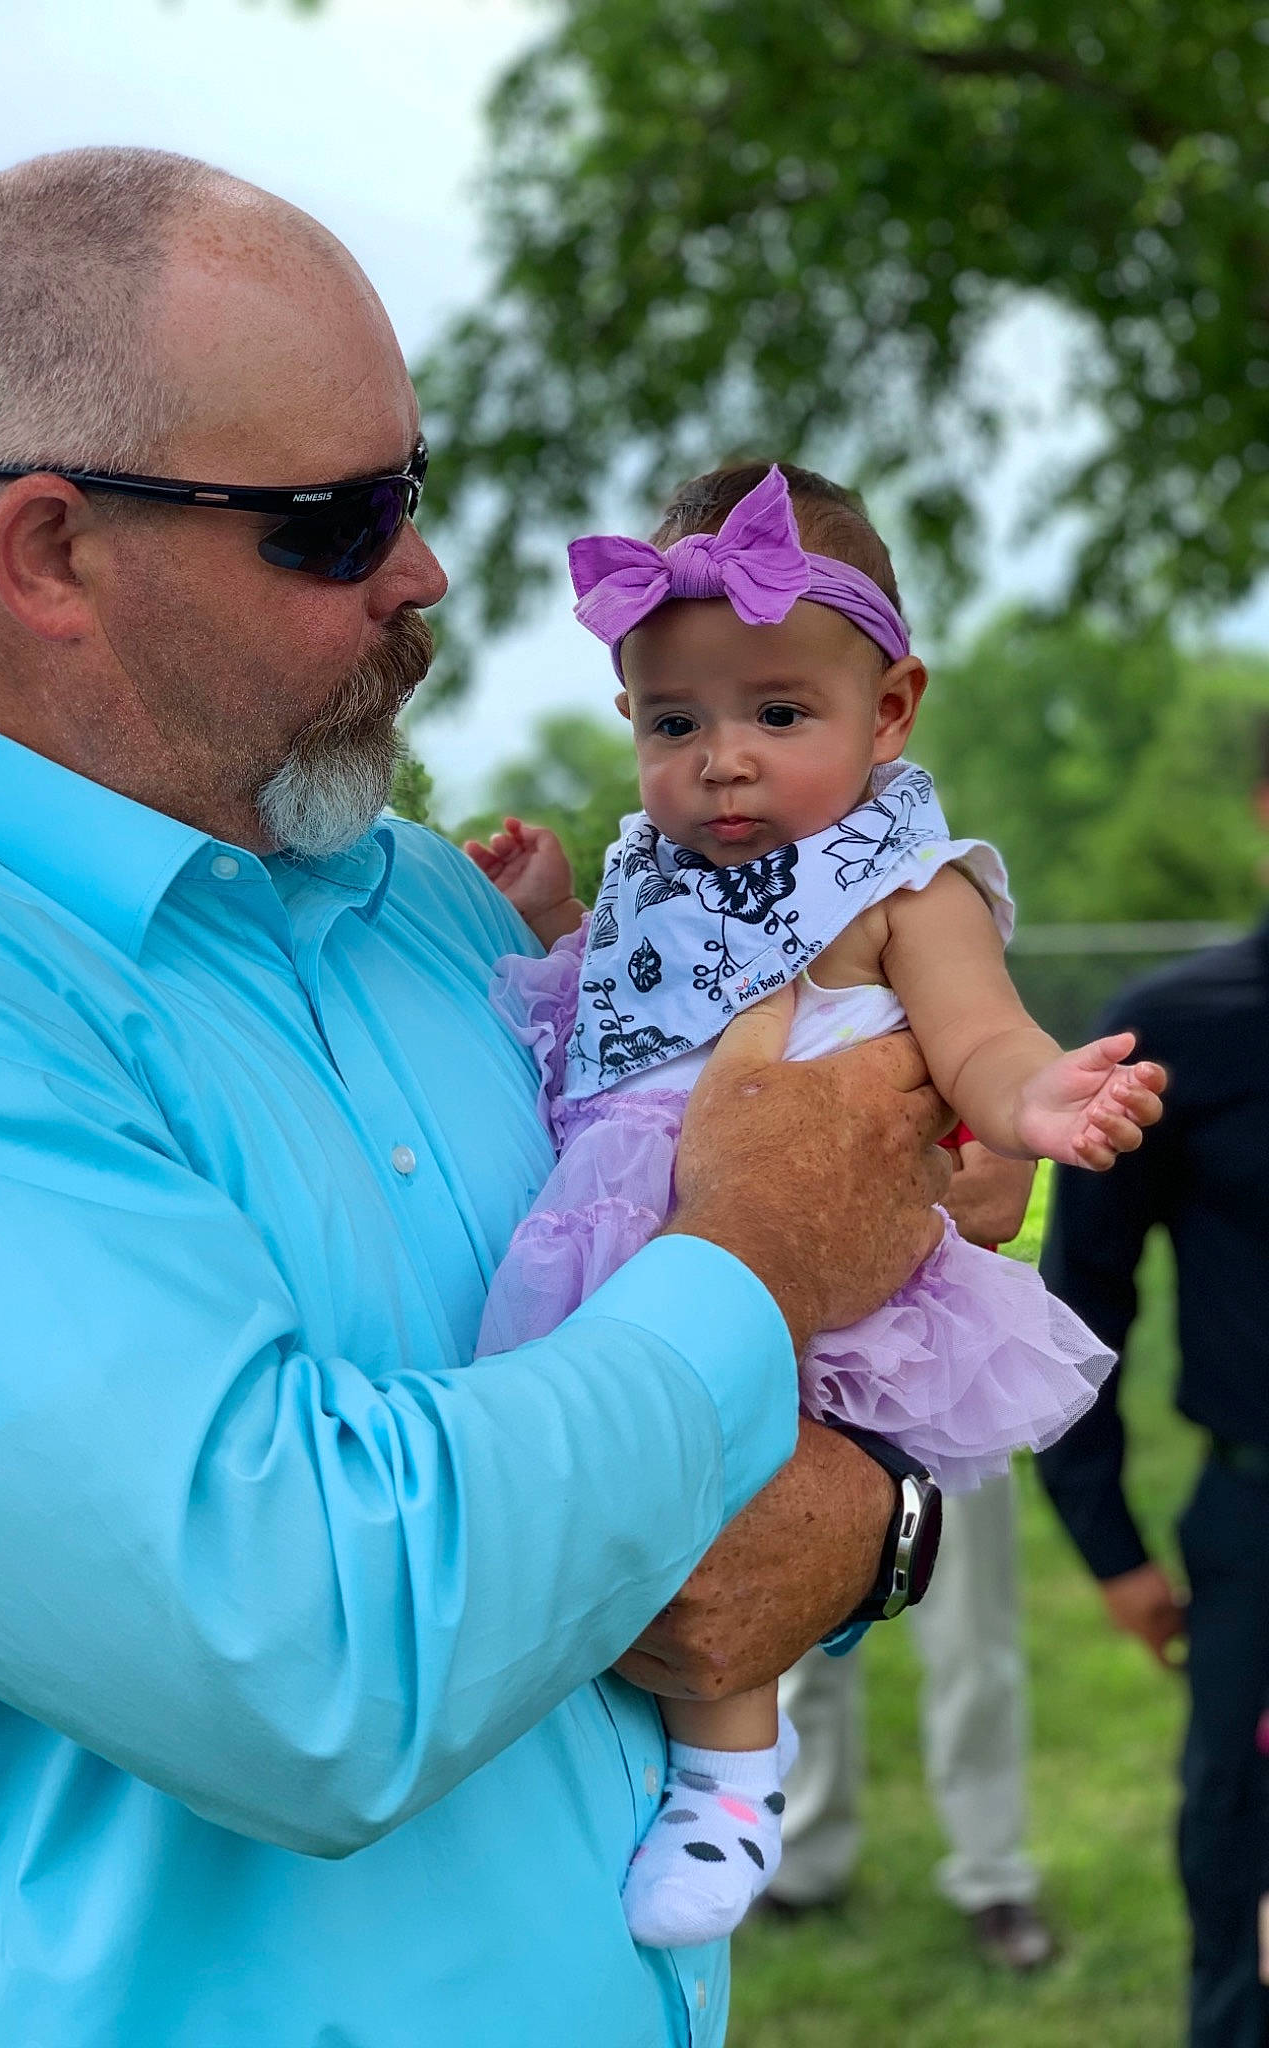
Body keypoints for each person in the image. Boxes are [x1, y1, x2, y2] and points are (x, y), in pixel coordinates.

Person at [0, 147, 963, 2048]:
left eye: (418, 482)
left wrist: (879, 1523)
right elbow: (311, 1652)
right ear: (49, 552)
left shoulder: (434, 912)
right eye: (334, 517)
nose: (427, 569)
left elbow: (679, 1464)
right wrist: (760, 1260)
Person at [463, 460, 1163, 1948]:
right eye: (676, 722)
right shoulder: (654, 865)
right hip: (641, 1227)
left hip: (817, 1264)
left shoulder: (905, 883)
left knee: (729, 1493)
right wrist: (554, 921)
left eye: (778, 716)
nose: (722, 762)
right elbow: (633, 1011)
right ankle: (649, 1767)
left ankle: (731, 1779)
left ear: (889, 711)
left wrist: (1036, 1099)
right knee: (601, 1489)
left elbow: (974, 1031)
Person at [1038, 764, 1269, 2048]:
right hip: (1257, 1527)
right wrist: (1112, 1546)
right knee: (1245, 1889)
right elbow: (1083, 1309)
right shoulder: (1177, 1035)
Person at [768, 1137, 1057, 1973]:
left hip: (950, 1360)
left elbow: (993, 1198)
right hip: (805, 1362)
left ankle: (993, 1872)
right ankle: (803, 1855)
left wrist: (813, 1210)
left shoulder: (954, 1018)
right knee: (800, 1630)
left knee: (973, 1639)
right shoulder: (760, 1014)